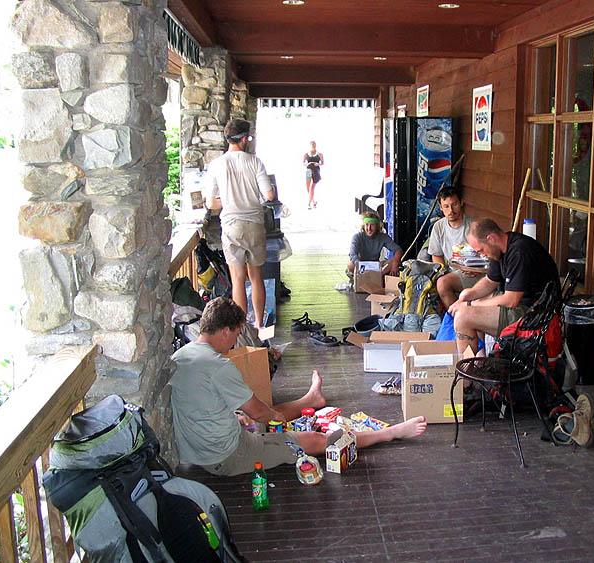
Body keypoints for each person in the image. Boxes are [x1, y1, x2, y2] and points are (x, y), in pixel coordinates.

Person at [170, 297, 428, 477]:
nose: (236, 342)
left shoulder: (182, 355)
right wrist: (273, 417)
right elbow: (260, 413)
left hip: (197, 451)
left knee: (257, 410)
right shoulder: (218, 365)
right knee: (316, 440)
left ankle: (311, 399)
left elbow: (213, 403)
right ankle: (392, 432)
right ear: (224, 330)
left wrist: (249, 416)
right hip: (227, 456)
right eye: (237, 334)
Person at [448, 218, 560, 354]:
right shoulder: (499, 250)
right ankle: (482, 361)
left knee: (463, 318)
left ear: (491, 238)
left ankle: (467, 369)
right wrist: (469, 294)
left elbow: (511, 300)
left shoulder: (519, 252)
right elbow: (490, 281)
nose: (481, 254)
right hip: (522, 306)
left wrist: (472, 305)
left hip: (533, 314)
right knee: (471, 304)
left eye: (481, 250)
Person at [204, 118, 275, 329]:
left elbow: (211, 203)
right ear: (244, 139)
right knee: (256, 277)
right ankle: (260, 325)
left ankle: (241, 329)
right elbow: (269, 195)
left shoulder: (217, 164)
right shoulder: (255, 162)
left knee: (237, 280)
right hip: (254, 224)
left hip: (231, 225)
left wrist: (228, 200)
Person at [427, 187, 477, 308]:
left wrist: (473, 267)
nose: (451, 210)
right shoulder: (438, 227)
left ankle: (458, 317)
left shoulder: (473, 226)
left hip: (472, 273)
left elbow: (484, 256)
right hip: (450, 271)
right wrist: (443, 272)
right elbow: (437, 255)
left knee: (443, 284)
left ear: (461, 203)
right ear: (441, 207)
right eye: (446, 206)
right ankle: (458, 316)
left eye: (454, 204)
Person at [347, 212, 403, 276]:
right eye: (367, 225)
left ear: (377, 226)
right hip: (361, 265)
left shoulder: (383, 237)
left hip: (376, 265)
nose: (369, 228)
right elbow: (353, 254)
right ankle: (373, 276)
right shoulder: (357, 237)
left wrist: (395, 263)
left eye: (372, 225)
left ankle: (376, 276)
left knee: (394, 262)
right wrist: (360, 266)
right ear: (363, 226)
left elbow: (398, 250)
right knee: (350, 265)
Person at [303, 140, 323, 209]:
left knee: (312, 187)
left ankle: (309, 203)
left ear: (315, 145)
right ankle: (314, 202)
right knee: (308, 188)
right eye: (312, 145)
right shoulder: (306, 154)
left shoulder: (319, 154)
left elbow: (322, 163)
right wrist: (307, 164)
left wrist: (318, 163)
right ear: (310, 146)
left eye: (314, 145)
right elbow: (303, 163)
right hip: (308, 170)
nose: (313, 146)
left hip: (316, 171)